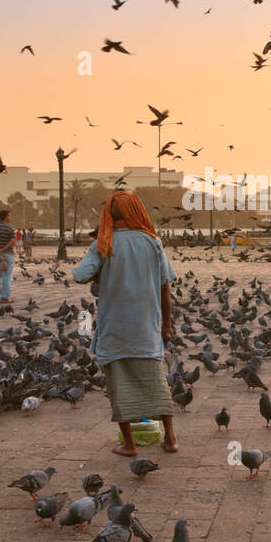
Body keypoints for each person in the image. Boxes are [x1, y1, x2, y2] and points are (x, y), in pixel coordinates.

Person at [73, 191, 179, 456]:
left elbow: (80, 275)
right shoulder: (152, 241)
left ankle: (129, 444)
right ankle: (171, 439)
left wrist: (101, 271)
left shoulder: (104, 242)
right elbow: (165, 288)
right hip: (146, 326)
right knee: (156, 381)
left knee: (118, 385)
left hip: (115, 327)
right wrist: (167, 324)